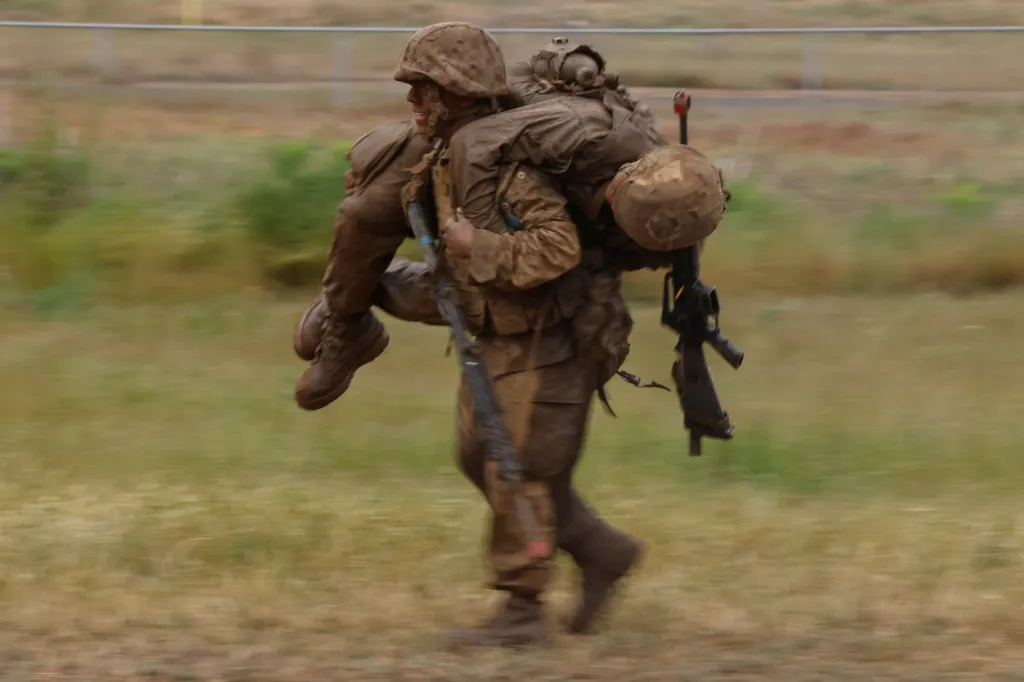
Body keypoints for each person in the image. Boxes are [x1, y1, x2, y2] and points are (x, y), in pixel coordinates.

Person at [295, 21, 645, 648]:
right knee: (480, 457)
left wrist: (475, 243)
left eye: (421, 91)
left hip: (551, 335)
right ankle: (601, 551)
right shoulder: (445, 154)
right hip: (496, 323)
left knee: (522, 466)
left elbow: (558, 249)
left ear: (455, 94)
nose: (411, 105)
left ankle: (521, 609)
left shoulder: (509, 168)